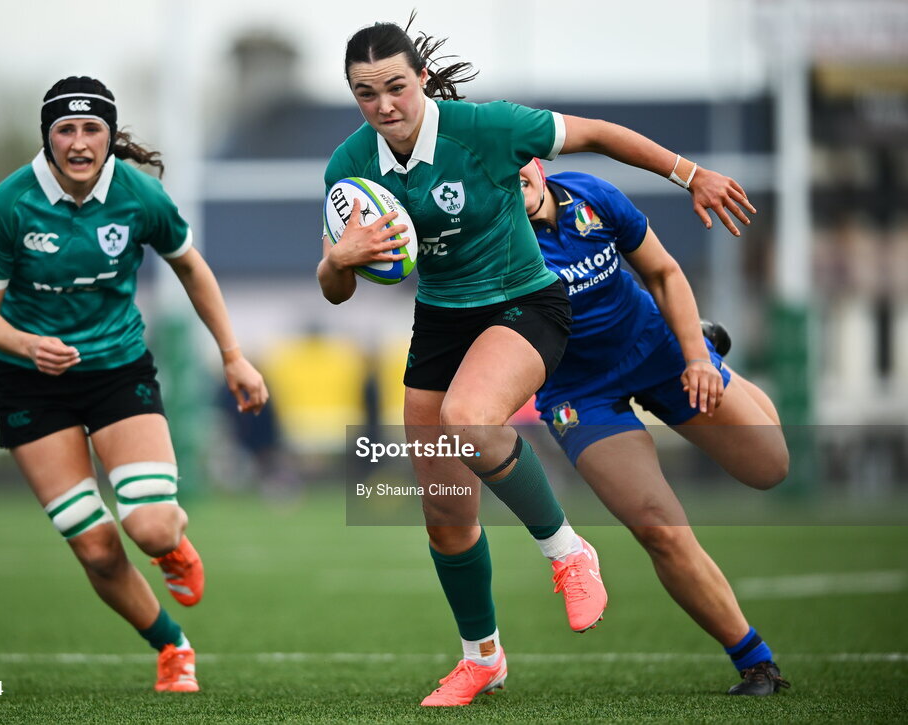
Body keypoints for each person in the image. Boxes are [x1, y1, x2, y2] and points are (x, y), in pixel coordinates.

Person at [317, 18, 756, 707]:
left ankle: (568, 552)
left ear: (421, 81)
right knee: (443, 507)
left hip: (525, 302)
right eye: (365, 94)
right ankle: (482, 658)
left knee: (471, 419)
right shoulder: (349, 168)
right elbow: (337, 290)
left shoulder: (487, 128)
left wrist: (690, 173)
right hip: (441, 319)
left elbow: (601, 134)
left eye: (397, 87)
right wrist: (335, 260)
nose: (384, 106)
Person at [0, 76, 268, 693]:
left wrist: (233, 356)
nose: (79, 143)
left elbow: (192, 268)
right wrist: (28, 346)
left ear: (109, 135)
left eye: (91, 129)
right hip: (30, 385)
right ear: (47, 138)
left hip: (116, 370)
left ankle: (172, 546)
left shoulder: (139, 195)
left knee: (150, 527)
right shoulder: (10, 203)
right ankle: (172, 647)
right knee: (97, 548)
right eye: (65, 130)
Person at [519, 158, 791, 696]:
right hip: (579, 394)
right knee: (657, 528)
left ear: (536, 163)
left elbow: (663, 271)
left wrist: (695, 358)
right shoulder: (490, 239)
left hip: (659, 349)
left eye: (514, 165)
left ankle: (706, 347)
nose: (506, 179)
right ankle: (756, 662)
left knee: (771, 467)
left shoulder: (592, 195)